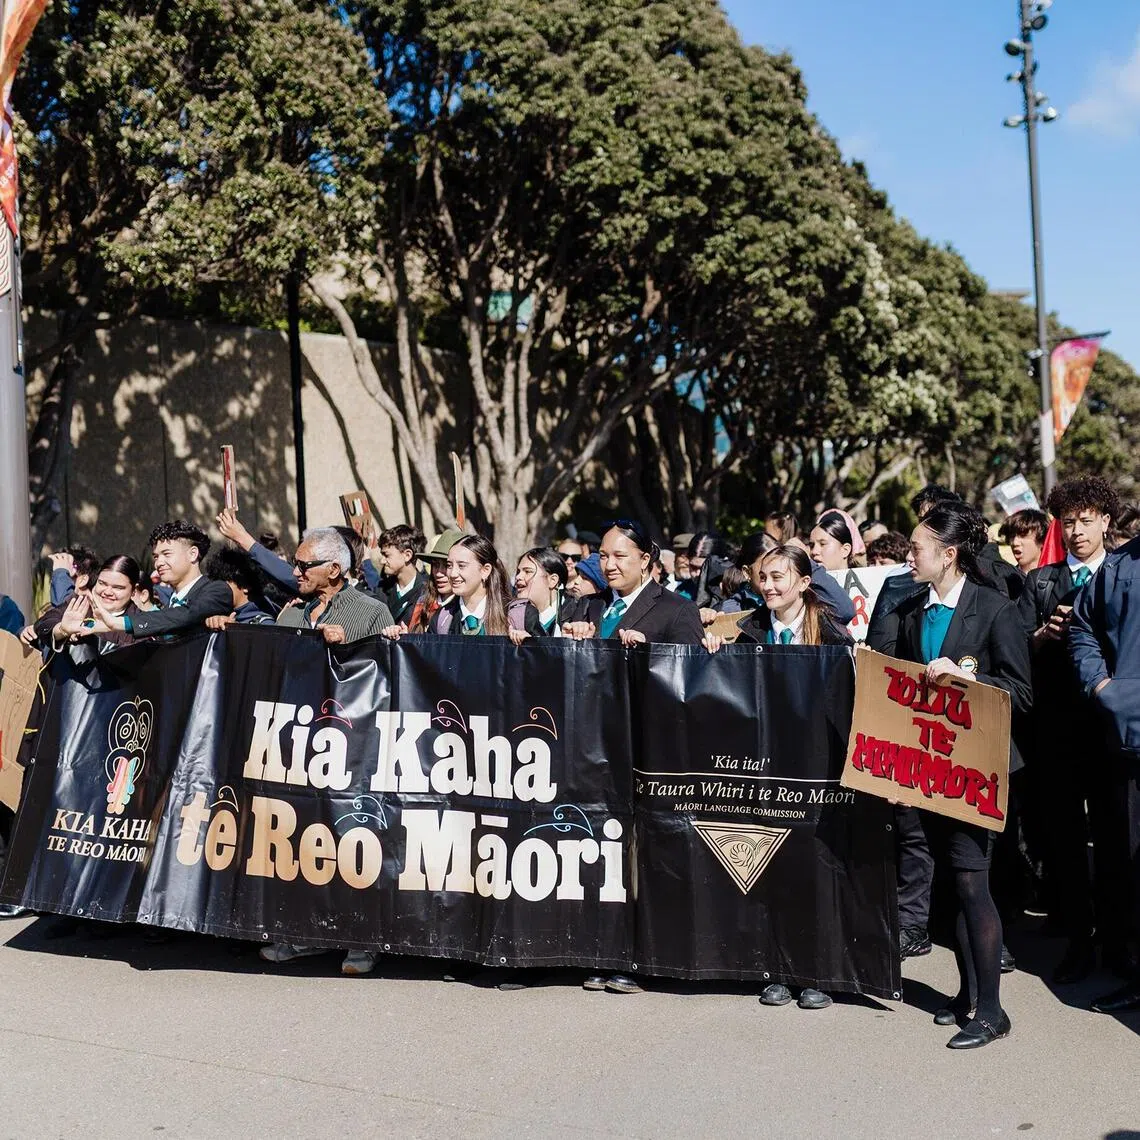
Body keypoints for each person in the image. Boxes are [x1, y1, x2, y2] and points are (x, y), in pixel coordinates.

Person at [892, 501, 1032, 1048]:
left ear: (948, 555)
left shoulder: (995, 609)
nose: (909, 556)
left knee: (974, 883)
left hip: (977, 771)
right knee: (950, 885)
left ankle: (992, 1010)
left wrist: (963, 682)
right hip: (929, 769)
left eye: (917, 548)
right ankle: (966, 993)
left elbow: (1020, 692)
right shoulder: (909, 612)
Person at [702, 544, 851, 1012]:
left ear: (804, 583)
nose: (768, 585)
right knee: (770, 869)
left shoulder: (830, 633)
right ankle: (777, 969)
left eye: (779, 577)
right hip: (764, 768)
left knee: (815, 870)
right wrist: (712, 651)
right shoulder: (745, 631)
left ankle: (817, 972)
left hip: (816, 770)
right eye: (763, 577)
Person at [1018, 477, 1121, 985]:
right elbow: (1016, 653)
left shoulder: (1126, 574)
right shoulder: (1041, 581)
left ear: (1106, 521)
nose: (1078, 530)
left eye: (1087, 519)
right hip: (1056, 728)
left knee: (1114, 835)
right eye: (1070, 521)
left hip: (1111, 726)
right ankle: (1079, 940)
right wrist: (1042, 635)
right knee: (1063, 839)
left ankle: (1119, 941)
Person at [1068, 527, 1140, 1013]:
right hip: (1129, 741)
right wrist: (1101, 686)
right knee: (1131, 861)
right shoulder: (1117, 566)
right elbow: (1082, 627)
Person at [563, 521, 705, 649]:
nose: (609, 565)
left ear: (644, 560)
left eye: (620, 556)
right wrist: (571, 642)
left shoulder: (678, 610)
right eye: (603, 556)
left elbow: (690, 671)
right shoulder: (587, 604)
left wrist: (647, 651)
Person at [88, 522, 232, 639]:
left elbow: (186, 615)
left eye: (166, 554)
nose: (159, 563)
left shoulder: (217, 590)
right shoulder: (168, 600)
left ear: (193, 554)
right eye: (156, 556)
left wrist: (116, 623)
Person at [273, 528, 395, 646]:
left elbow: (384, 665)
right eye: (295, 563)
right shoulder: (290, 616)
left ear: (333, 570)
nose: (295, 572)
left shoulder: (374, 614)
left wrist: (345, 649)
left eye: (303, 566)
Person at [719, 534, 856, 625]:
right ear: (747, 572)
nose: (768, 585)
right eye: (763, 569)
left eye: (781, 563)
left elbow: (844, 611)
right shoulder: (733, 609)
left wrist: (804, 562)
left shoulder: (798, 597)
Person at [32, 556, 145, 651]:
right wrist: (62, 630)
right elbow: (43, 624)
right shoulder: (80, 603)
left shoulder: (141, 622)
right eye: (102, 583)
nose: (107, 592)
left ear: (134, 590)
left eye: (118, 588)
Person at [405, 530, 463, 633]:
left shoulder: (465, 607)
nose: (438, 573)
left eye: (446, 565)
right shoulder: (422, 601)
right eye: (435, 565)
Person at [202, 548, 277, 627]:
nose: (216, 589)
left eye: (222, 583)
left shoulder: (263, 626)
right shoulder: (215, 617)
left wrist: (235, 630)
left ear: (245, 585)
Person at [378, 524, 428, 625]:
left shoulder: (428, 590)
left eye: (386, 555)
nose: (382, 561)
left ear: (407, 555)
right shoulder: (381, 589)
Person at [514, 547, 568, 635]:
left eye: (527, 571)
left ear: (552, 580)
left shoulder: (576, 617)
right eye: (518, 571)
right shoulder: (515, 618)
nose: (518, 577)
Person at [1001, 509, 1049, 576]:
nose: (1015, 542)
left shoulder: (1058, 577)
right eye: (1011, 536)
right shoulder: (1006, 579)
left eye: (1023, 535)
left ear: (1042, 539)